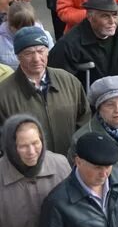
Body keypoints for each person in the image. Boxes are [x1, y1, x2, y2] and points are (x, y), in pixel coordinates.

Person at [0, 27, 88, 156]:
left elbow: (85, 119)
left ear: (48, 51)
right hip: (30, 170)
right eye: (28, 53)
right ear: (18, 56)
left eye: (41, 51)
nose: (36, 58)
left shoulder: (69, 81)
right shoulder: (4, 94)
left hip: (71, 163)